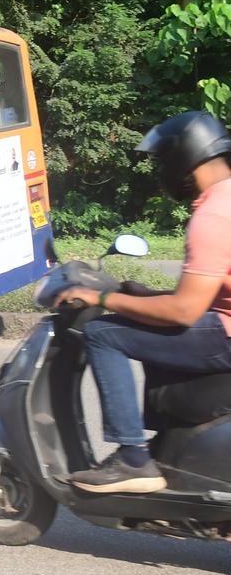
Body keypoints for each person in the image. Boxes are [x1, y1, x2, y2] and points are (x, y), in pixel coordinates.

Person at [55, 111, 231, 493]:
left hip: (226, 336)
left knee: (103, 333)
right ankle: (167, 442)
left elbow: (184, 312)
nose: (159, 171)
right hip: (222, 324)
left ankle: (133, 459)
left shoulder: (213, 216)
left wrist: (104, 297)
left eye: (161, 161)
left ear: (183, 159)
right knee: (146, 320)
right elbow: (210, 292)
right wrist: (146, 297)